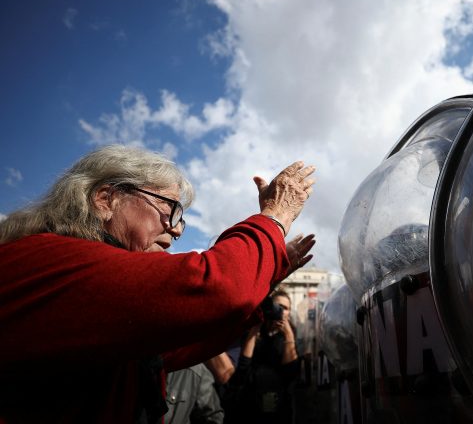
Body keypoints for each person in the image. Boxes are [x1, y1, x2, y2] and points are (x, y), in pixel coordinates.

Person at [0, 145, 317, 423]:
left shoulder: (84, 281)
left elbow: (184, 342)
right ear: (106, 199)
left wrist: (267, 271)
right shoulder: (50, 259)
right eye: (170, 209)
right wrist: (274, 217)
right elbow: (217, 288)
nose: (176, 230)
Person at [223, 289, 300, 424]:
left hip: (279, 404)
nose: (281, 311)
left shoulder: (289, 337)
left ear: (289, 313)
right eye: (278, 306)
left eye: (285, 308)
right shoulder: (254, 333)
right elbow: (243, 368)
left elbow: (290, 373)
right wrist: (256, 326)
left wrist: (288, 333)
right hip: (251, 404)